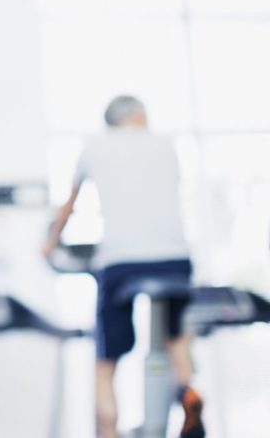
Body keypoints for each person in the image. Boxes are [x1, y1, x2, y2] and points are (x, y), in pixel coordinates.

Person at [42, 95, 205, 438]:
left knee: (106, 361)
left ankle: (108, 430)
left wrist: (50, 243)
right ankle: (189, 391)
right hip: (174, 259)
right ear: (138, 115)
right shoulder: (166, 144)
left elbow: (68, 207)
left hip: (121, 261)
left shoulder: (95, 146)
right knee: (175, 335)